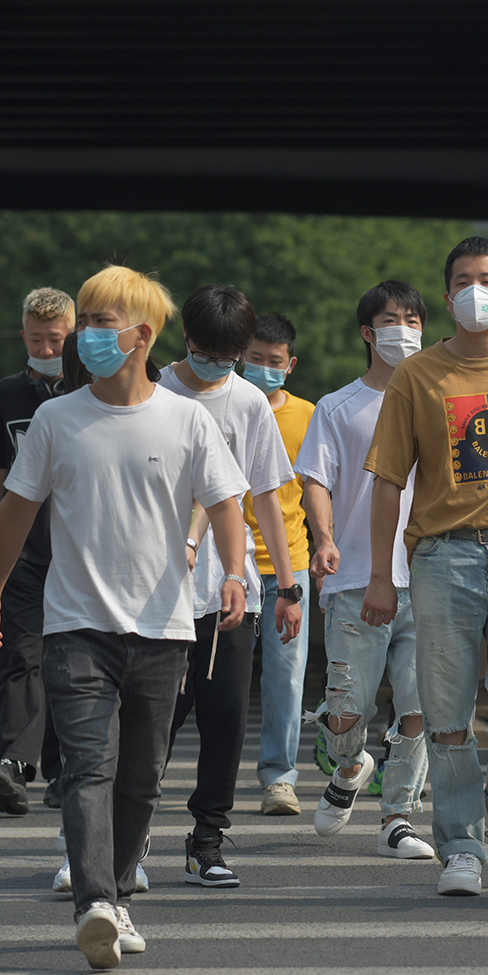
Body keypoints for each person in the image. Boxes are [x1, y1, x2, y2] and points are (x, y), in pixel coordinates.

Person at [0, 264, 249, 969]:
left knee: (141, 780)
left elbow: (224, 502)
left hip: (163, 628)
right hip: (77, 628)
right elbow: (13, 513)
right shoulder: (55, 419)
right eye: (87, 319)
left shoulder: (187, 417)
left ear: (142, 334)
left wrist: (236, 573)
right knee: (89, 770)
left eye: (103, 321)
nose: (88, 333)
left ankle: (119, 894)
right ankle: (94, 900)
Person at [364, 236, 488, 897]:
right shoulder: (418, 377)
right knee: (446, 713)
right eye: (463, 280)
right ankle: (462, 845)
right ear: (448, 297)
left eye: (487, 279)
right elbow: (389, 480)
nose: (475, 290)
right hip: (443, 555)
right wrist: (383, 575)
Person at [160, 284, 303, 888]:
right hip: (155, 592)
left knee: (224, 722)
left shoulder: (248, 403)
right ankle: (124, 837)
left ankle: (207, 840)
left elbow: (264, 497)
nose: (215, 365)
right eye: (205, 352)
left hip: (229, 589)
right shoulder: (152, 392)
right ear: (184, 340)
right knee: (151, 724)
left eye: (228, 356)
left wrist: (288, 587)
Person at [295, 280, 433, 858]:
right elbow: (315, 482)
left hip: (429, 577)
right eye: (390, 320)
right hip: (354, 578)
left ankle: (397, 818)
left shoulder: (438, 400)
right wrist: (323, 540)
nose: (403, 329)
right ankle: (350, 766)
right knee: (348, 710)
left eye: (412, 319)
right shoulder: (337, 407)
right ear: (367, 332)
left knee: (419, 705)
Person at [0, 287, 73, 818]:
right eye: (36, 338)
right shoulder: (4, 395)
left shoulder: (88, 390)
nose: (45, 347)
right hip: (23, 548)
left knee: (71, 657)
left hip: (78, 546)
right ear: (23, 336)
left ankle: (62, 769)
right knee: (20, 654)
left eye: (55, 340)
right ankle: (12, 765)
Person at [239, 311, 317, 816]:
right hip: (228, 565)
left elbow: (317, 489)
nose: (263, 369)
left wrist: (328, 544)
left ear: (290, 365)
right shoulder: (224, 406)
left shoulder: (309, 415)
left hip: (290, 565)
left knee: (286, 677)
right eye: (254, 360)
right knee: (213, 677)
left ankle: (279, 778)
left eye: (274, 362)